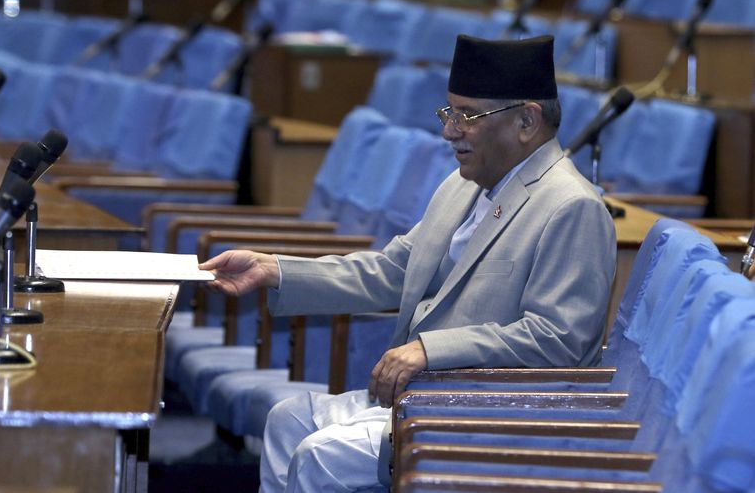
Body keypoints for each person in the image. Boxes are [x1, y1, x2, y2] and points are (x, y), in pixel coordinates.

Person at [199, 34, 617, 492]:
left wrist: (430, 350)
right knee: (288, 420)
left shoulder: (571, 206)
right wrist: (274, 269)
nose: (449, 130)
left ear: (526, 120)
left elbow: (559, 339)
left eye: (467, 116)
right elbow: (392, 272)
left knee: (321, 455)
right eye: (448, 112)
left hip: (483, 410)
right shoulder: (464, 185)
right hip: (420, 398)